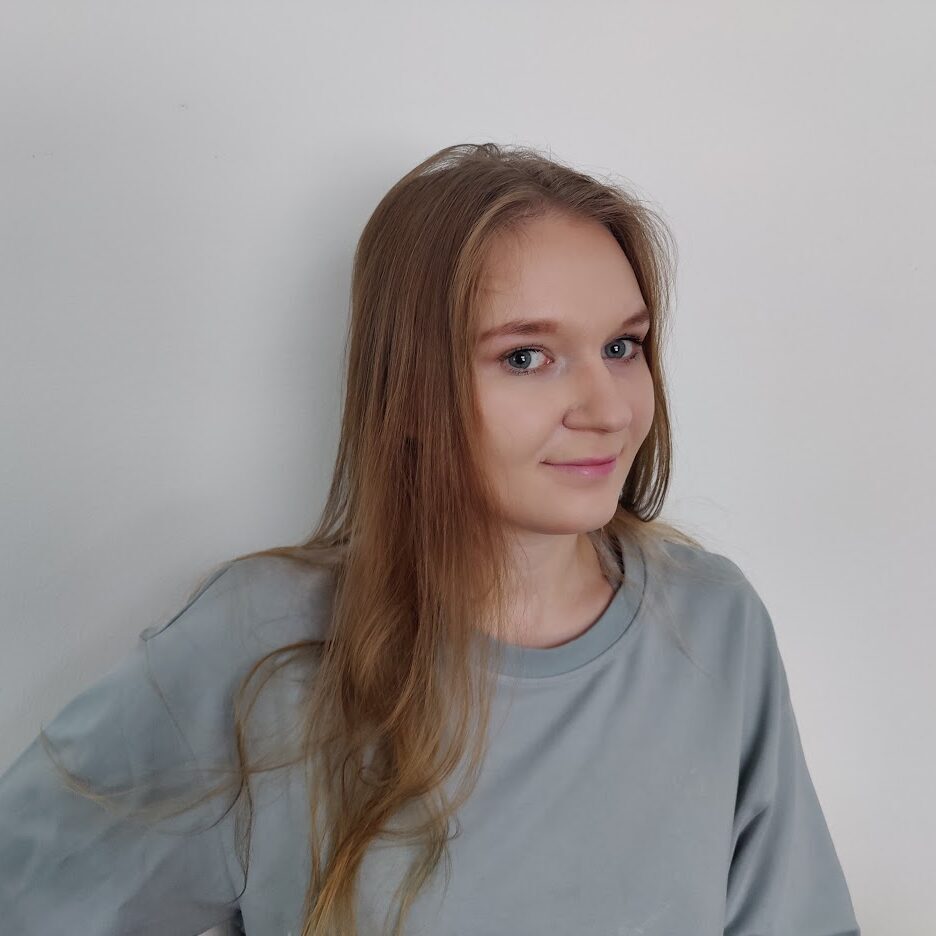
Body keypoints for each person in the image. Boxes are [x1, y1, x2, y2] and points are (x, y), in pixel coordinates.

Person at [0, 142, 861, 935]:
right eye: (525, 356)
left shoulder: (714, 624)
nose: (607, 409)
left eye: (622, 346)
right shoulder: (261, 642)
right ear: (410, 387)